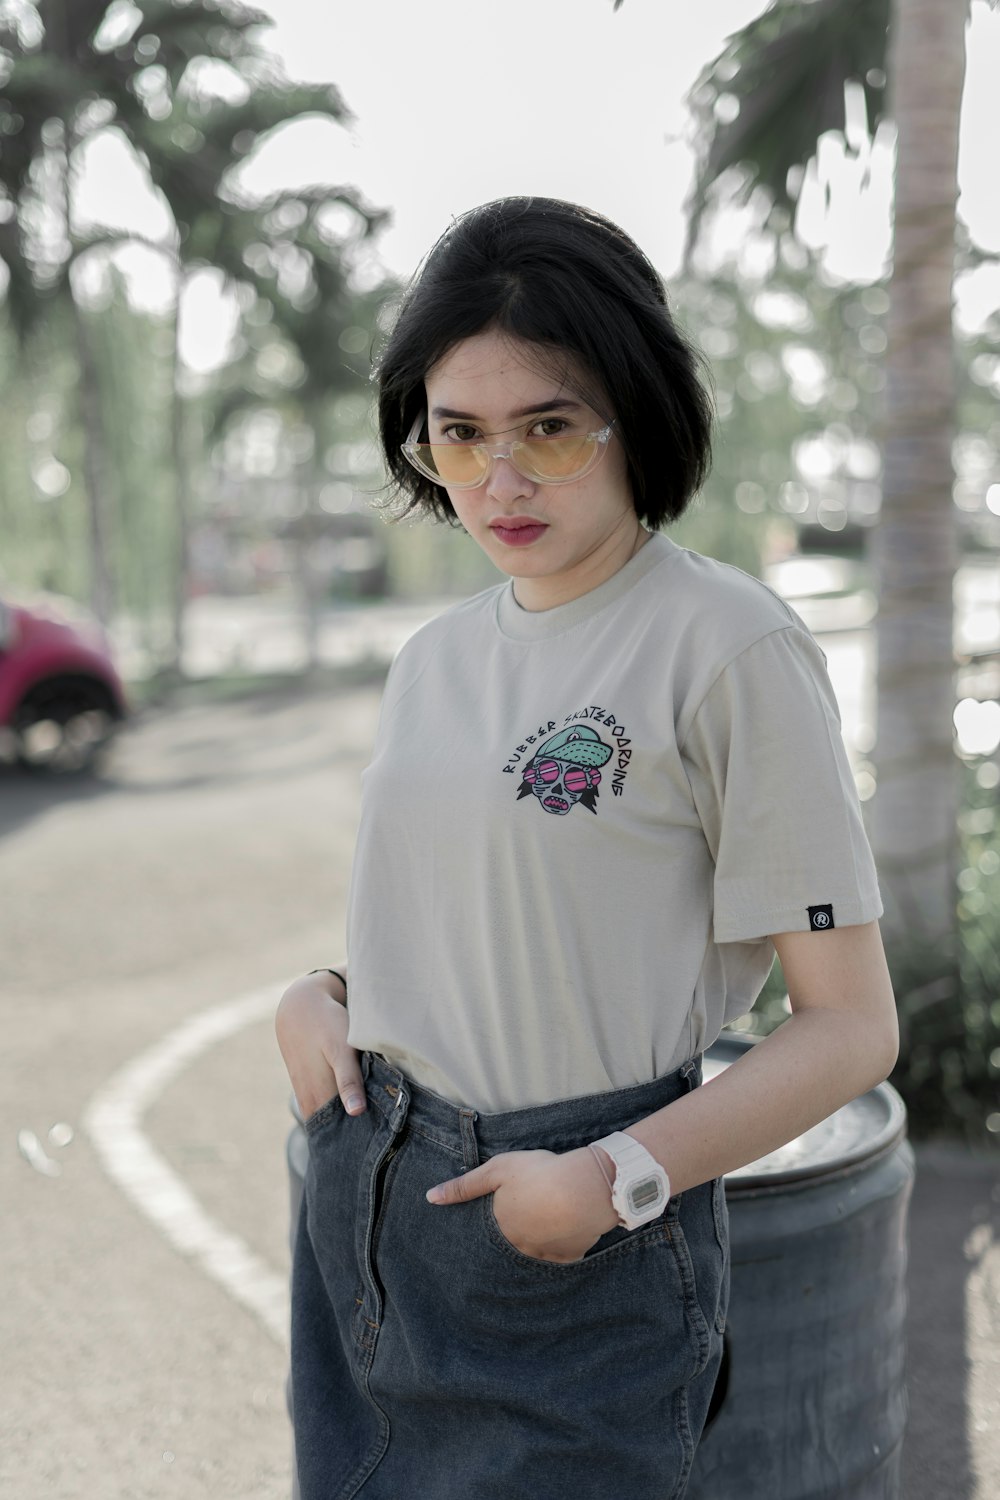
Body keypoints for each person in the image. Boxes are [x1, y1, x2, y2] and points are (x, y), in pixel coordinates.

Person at [275, 196, 898, 1500]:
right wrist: (327, 999)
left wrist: (617, 1178)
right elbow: (482, 914)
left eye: (548, 429)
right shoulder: (434, 659)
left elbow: (851, 1030)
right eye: (460, 434)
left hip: (573, 1223)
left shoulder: (730, 648)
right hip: (368, 1192)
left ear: (635, 413)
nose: (499, 481)